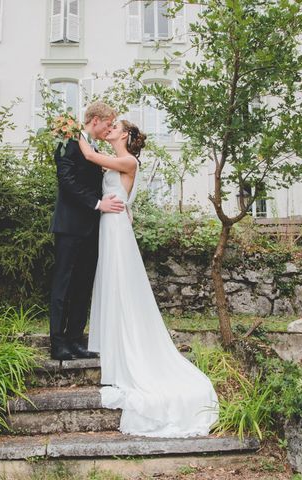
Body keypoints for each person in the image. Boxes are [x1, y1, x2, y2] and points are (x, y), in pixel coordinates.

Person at [77, 120, 219, 438]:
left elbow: (88, 155)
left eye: (115, 126)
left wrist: (76, 128)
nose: (110, 128)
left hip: (115, 227)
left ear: (125, 135)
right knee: (113, 284)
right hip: (111, 223)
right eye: (108, 125)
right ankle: (115, 341)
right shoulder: (116, 161)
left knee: (121, 284)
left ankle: (127, 348)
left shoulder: (128, 160)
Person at [49, 101, 125, 361]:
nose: (109, 129)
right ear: (95, 120)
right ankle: (58, 344)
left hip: (92, 228)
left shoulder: (92, 147)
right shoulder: (68, 142)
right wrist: (97, 204)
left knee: (83, 286)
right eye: (108, 123)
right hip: (69, 226)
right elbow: (66, 181)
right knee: (63, 285)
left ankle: (75, 339)